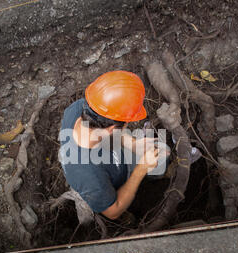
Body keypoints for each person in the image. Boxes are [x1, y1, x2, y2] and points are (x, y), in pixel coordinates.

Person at [58, 71, 170, 221]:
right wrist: (141, 169)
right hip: (114, 183)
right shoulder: (88, 175)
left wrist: (131, 143)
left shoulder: (79, 108)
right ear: (112, 129)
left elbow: (107, 127)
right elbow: (113, 211)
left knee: (161, 154)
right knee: (160, 161)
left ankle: (160, 170)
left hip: (116, 162)